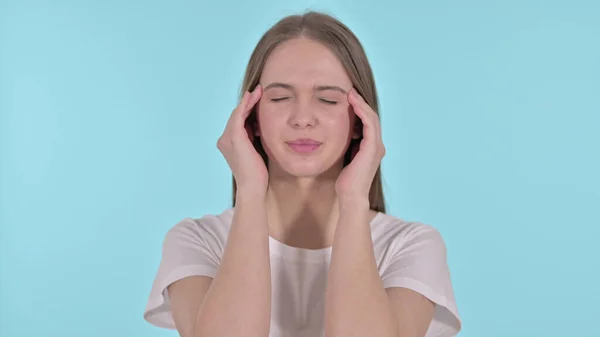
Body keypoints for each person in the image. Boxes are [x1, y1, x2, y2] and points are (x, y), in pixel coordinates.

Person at [143, 10, 462, 337]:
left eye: (327, 100)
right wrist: (250, 191)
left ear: (359, 121)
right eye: (280, 98)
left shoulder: (409, 247)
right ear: (250, 119)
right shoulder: (198, 241)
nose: (303, 118)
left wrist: (353, 201)